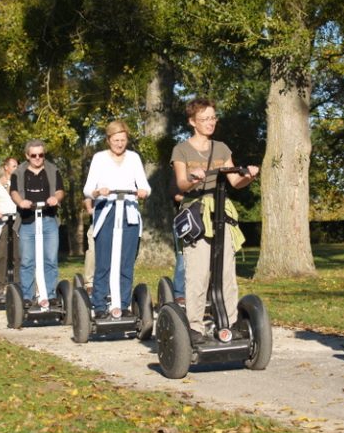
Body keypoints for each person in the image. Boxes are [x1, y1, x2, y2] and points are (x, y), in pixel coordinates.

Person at [171, 98, 259, 342]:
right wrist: (193, 178)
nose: (210, 123)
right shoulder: (182, 150)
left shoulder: (221, 148)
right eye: (204, 119)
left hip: (221, 211)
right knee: (198, 274)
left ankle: (229, 323)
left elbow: (234, 181)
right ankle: (195, 327)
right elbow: (181, 183)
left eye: (212, 118)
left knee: (226, 274)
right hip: (196, 214)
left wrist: (249, 176)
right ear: (192, 122)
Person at [82, 120, 151, 319]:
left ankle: (123, 304)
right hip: (106, 211)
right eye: (115, 140)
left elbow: (145, 185)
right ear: (108, 140)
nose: (119, 144)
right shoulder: (99, 158)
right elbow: (88, 189)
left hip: (129, 212)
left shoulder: (134, 158)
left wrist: (143, 191)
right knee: (104, 262)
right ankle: (100, 306)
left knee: (126, 263)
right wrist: (97, 191)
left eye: (122, 140)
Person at [10, 140, 65, 309]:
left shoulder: (52, 169)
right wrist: (21, 202)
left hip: (48, 219)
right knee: (27, 261)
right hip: (27, 221)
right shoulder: (19, 172)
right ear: (27, 155)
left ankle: (50, 295)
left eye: (40, 155)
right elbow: (13, 192)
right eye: (33, 155)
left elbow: (60, 190)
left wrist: (55, 198)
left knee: (50, 259)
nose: (37, 158)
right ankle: (27, 296)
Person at [0, 157, 19, 296]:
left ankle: (19, 284)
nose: (16, 168)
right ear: (6, 167)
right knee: (1, 253)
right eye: (13, 166)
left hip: (17, 219)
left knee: (18, 254)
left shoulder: (19, 183)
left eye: (17, 166)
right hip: (3, 220)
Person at [82, 197, 95, 294]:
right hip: (97, 222)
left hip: (119, 222)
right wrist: (89, 208)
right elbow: (87, 196)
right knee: (93, 251)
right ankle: (89, 283)